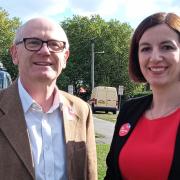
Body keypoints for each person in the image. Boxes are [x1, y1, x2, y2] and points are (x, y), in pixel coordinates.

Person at [0, 17, 97, 180]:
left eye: (54, 44)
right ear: (14, 54)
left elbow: (89, 174)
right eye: (33, 42)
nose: (45, 51)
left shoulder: (82, 110)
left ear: (65, 57)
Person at [105, 12, 180, 180]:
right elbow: (112, 173)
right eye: (146, 48)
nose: (155, 57)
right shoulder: (129, 110)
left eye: (167, 47)